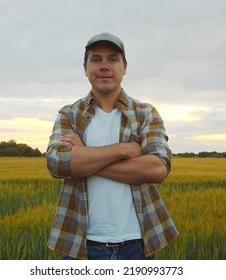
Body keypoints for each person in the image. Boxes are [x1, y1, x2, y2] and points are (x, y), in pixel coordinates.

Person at [45, 32, 178, 260]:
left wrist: (84, 156)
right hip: (81, 245)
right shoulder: (70, 114)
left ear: (125, 66)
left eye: (113, 59)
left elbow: (157, 169)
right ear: (85, 67)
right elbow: (57, 163)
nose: (104, 66)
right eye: (96, 59)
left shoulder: (145, 113)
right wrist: (123, 150)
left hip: (138, 244)